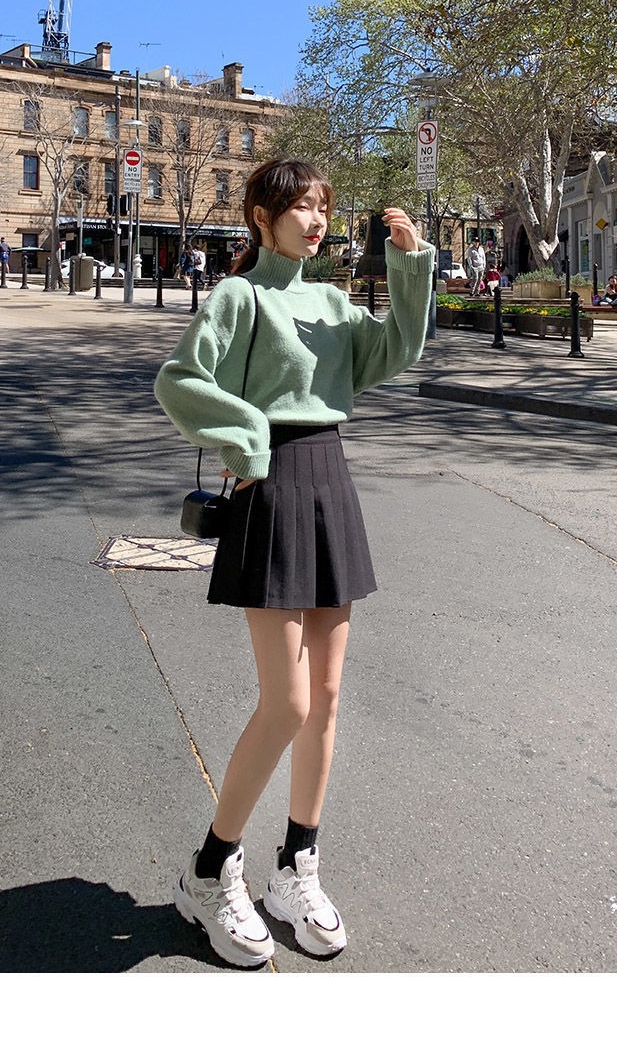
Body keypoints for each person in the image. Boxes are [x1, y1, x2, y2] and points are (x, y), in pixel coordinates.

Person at [154, 158, 433, 969]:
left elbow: (396, 349)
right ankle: (209, 869)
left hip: (329, 483)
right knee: (288, 701)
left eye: (322, 207)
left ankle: (296, 865)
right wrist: (248, 439)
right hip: (272, 489)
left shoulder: (332, 302)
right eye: (301, 206)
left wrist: (411, 264)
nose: (315, 219)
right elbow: (180, 381)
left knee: (328, 698)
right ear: (261, 216)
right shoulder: (240, 297)